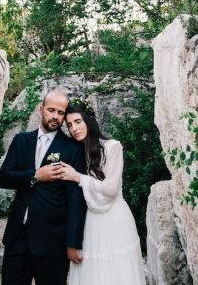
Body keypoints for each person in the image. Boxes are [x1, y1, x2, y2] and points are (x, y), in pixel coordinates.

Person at [0, 90, 87, 285]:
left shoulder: (72, 148)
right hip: (17, 238)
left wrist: (73, 243)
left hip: (52, 242)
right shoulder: (21, 140)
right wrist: (35, 175)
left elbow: (75, 199)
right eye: (51, 110)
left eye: (61, 112)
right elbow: (3, 177)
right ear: (41, 109)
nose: (55, 116)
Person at [57, 104, 146, 285]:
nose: (74, 128)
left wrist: (78, 177)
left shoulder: (112, 147)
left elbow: (111, 188)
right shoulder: (75, 153)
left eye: (78, 122)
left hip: (114, 219)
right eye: (69, 125)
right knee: (92, 272)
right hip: (88, 220)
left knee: (117, 272)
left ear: (89, 120)